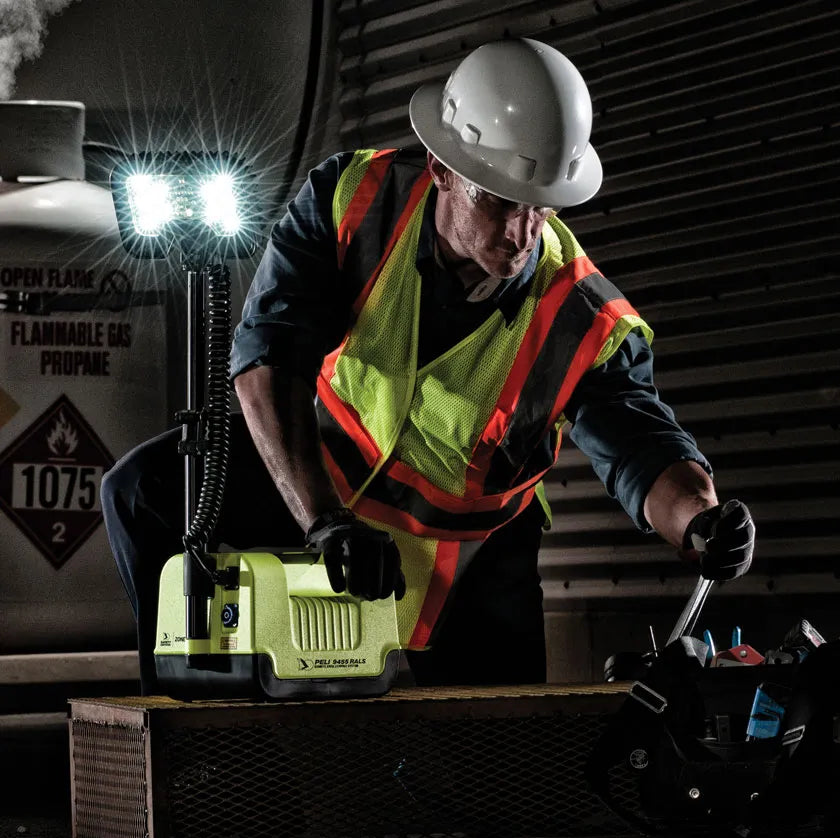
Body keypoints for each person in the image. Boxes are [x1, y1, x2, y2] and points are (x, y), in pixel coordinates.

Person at [101, 38, 755, 695]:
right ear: (441, 168)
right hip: (324, 482)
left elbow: (643, 446)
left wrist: (700, 520)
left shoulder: (582, 317)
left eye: (539, 207)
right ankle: (194, 731)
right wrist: (324, 521)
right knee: (144, 492)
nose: (521, 231)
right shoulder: (354, 202)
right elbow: (268, 358)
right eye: (499, 201)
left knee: (495, 763)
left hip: (472, 560)